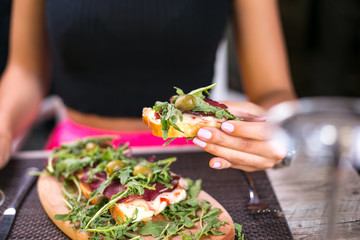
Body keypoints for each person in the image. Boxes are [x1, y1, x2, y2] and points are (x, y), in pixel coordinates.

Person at [0, 0, 295, 172]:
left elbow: (273, 90)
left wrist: (278, 134)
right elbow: (25, 72)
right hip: (77, 160)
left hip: (202, 160)